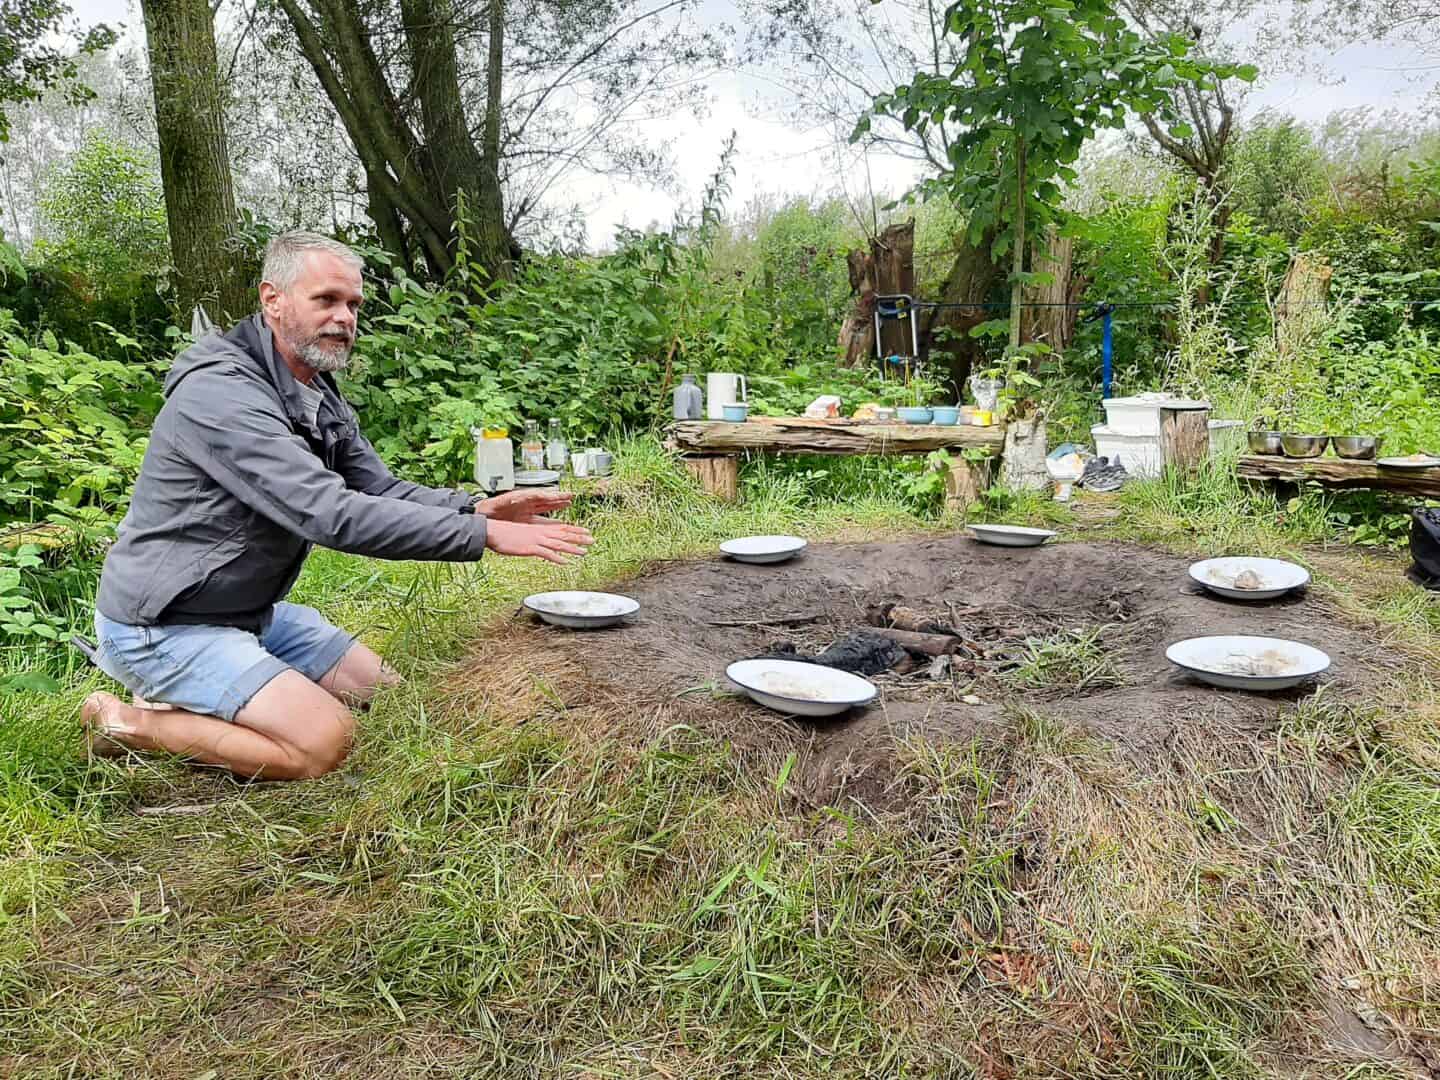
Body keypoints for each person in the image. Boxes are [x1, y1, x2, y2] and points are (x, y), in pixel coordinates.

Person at [81, 231, 593, 780]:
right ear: (272, 299)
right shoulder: (222, 394)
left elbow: (380, 490)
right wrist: (481, 539)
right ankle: (126, 722)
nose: (344, 318)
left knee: (389, 697)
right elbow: (328, 513)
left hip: (246, 612)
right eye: (326, 300)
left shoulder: (314, 388)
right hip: (164, 622)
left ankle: (210, 697)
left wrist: (474, 510)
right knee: (327, 743)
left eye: (353, 305)